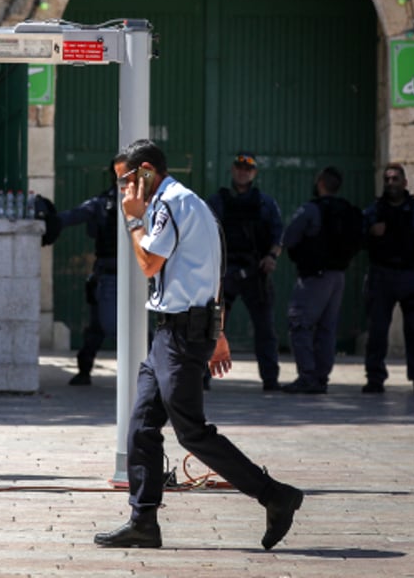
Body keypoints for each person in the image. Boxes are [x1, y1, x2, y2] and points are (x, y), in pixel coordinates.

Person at [94, 139, 302, 550]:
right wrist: (218, 329)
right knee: (141, 425)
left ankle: (275, 496)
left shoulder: (168, 205)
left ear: (147, 172)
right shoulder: (194, 204)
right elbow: (213, 267)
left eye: (126, 182)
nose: (123, 192)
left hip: (181, 335)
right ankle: (143, 520)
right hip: (173, 332)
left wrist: (133, 221)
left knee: (192, 433)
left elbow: (149, 262)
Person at [361, 163, 414, 395]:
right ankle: (375, 378)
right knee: (377, 332)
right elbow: (356, 238)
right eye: (387, 179)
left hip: (411, 278)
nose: (391, 183)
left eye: (395, 179)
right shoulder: (373, 212)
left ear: (405, 183)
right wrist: (370, 232)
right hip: (381, 277)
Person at [206, 151, 284, 391]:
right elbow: (204, 233)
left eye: (247, 169)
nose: (242, 172)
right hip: (224, 274)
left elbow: (278, 235)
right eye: (239, 167)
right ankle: (201, 377)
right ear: (232, 170)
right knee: (212, 327)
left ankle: (270, 379)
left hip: (254, 273)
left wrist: (271, 257)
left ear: (254, 173)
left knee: (265, 329)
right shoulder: (217, 201)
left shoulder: (265, 203)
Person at [281, 167, 361, 394]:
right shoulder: (346, 210)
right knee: (327, 328)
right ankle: (321, 378)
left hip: (314, 277)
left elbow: (289, 237)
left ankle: (307, 376)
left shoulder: (311, 210)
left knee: (300, 324)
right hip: (338, 276)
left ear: (320, 183)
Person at [45, 160, 124, 386]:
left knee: (130, 328)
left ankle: (152, 372)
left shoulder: (146, 203)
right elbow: (76, 215)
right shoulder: (103, 204)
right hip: (108, 275)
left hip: (136, 277)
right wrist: (51, 220)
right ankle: (85, 369)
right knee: (101, 325)